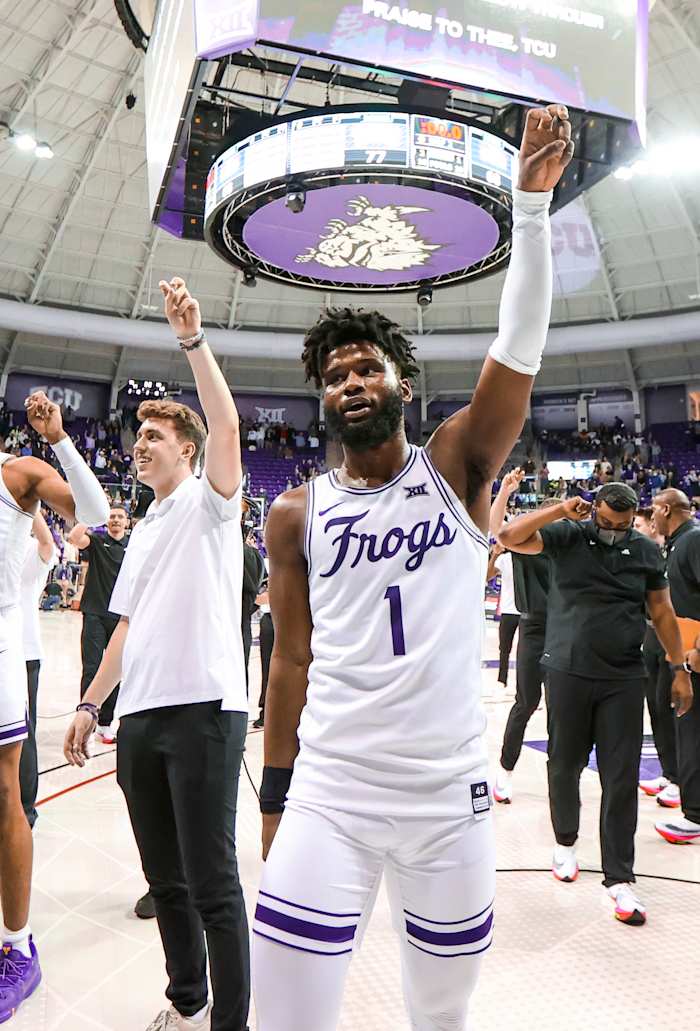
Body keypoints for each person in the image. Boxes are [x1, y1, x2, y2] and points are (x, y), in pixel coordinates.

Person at [252, 105, 574, 1030]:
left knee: (440, 1016)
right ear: (324, 399)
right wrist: (275, 795)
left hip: (448, 797)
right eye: (335, 375)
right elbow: (289, 662)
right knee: (288, 1017)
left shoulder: (456, 467)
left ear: (401, 379)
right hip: (331, 790)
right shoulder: (294, 511)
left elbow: (519, 350)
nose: (351, 381)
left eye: (368, 367)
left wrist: (532, 211)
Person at [63, 277, 250, 1031]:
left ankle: (231, 1023)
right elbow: (124, 629)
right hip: (139, 717)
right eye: (137, 439)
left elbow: (230, 428)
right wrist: (88, 703)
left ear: (189, 451)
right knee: (165, 879)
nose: (139, 445)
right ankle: (187, 999)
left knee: (213, 881)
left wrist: (191, 339)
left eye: (155, 438)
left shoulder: (212, 501)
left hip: (205, 708)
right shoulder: (140, 529)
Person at [498, 482, 692, 926]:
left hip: (623, 676)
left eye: (622, 526)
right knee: (563, 765)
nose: (613, 531)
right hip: (567, 671)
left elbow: (661, 612)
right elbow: (508, 537)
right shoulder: (568, 535)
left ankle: (619, 879)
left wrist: (679, 668)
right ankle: (565, 843)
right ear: (592, 514)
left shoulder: (644, 550)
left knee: (620, 777)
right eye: (605, 523)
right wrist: (558, 511)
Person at [0, 391, 109, 1021]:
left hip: (3, 648)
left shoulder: (17, 473)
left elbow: (93, 510)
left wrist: (59, 439)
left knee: (6, 797)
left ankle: (17, 946)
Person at [490, 475, 556, 805]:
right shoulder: (524, 544)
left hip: (566, 629)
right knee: (526, 702)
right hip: (533, 626)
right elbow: (496, 528)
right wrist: (504, 491)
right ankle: (504, 771)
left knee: (562, 709)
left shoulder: (573, 546)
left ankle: (561, 778)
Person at [650, 489, 700, 844]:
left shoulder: (694, 540)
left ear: (666, 509)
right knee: (684, 728)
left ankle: (694, 815)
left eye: (653, 510)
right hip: (680, 649)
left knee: (693, 732)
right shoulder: (675, 543)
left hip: (695, 649)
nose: (651, 518)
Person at [68, 505, 130, 744]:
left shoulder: (133, 546)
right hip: (94, 612)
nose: (115, 520)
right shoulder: (96, 542)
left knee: (115, 672)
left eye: (119, 517)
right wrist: (95, 513)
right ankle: (87, 722)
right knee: (91, 668)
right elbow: (74, 537)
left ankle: (105, 723)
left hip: (120, 616)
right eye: (111, 516)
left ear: (127, 522)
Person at [634, 508, 680, 807]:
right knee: (656, 708)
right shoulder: (639, 557)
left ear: (654, 526)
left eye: (639, 524)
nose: (636, 528)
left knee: (671, 707)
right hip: (649, 636)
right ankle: (668, 772)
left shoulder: (669, 554)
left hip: (670, 635)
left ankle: (680, 780)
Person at [19, 512, 58, 829]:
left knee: (23, 734)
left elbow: (47, 542)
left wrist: (28, 504)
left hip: (23, 654)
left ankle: (25, 809)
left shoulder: (31, 549)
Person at [486, 474, 521, 687]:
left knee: (531, 651)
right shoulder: (507, 558)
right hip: (510, 609)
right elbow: (487, 576)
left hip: (530, 611)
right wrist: (496, 554)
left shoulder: (534, 553)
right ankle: (502, 679)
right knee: (504, 648)